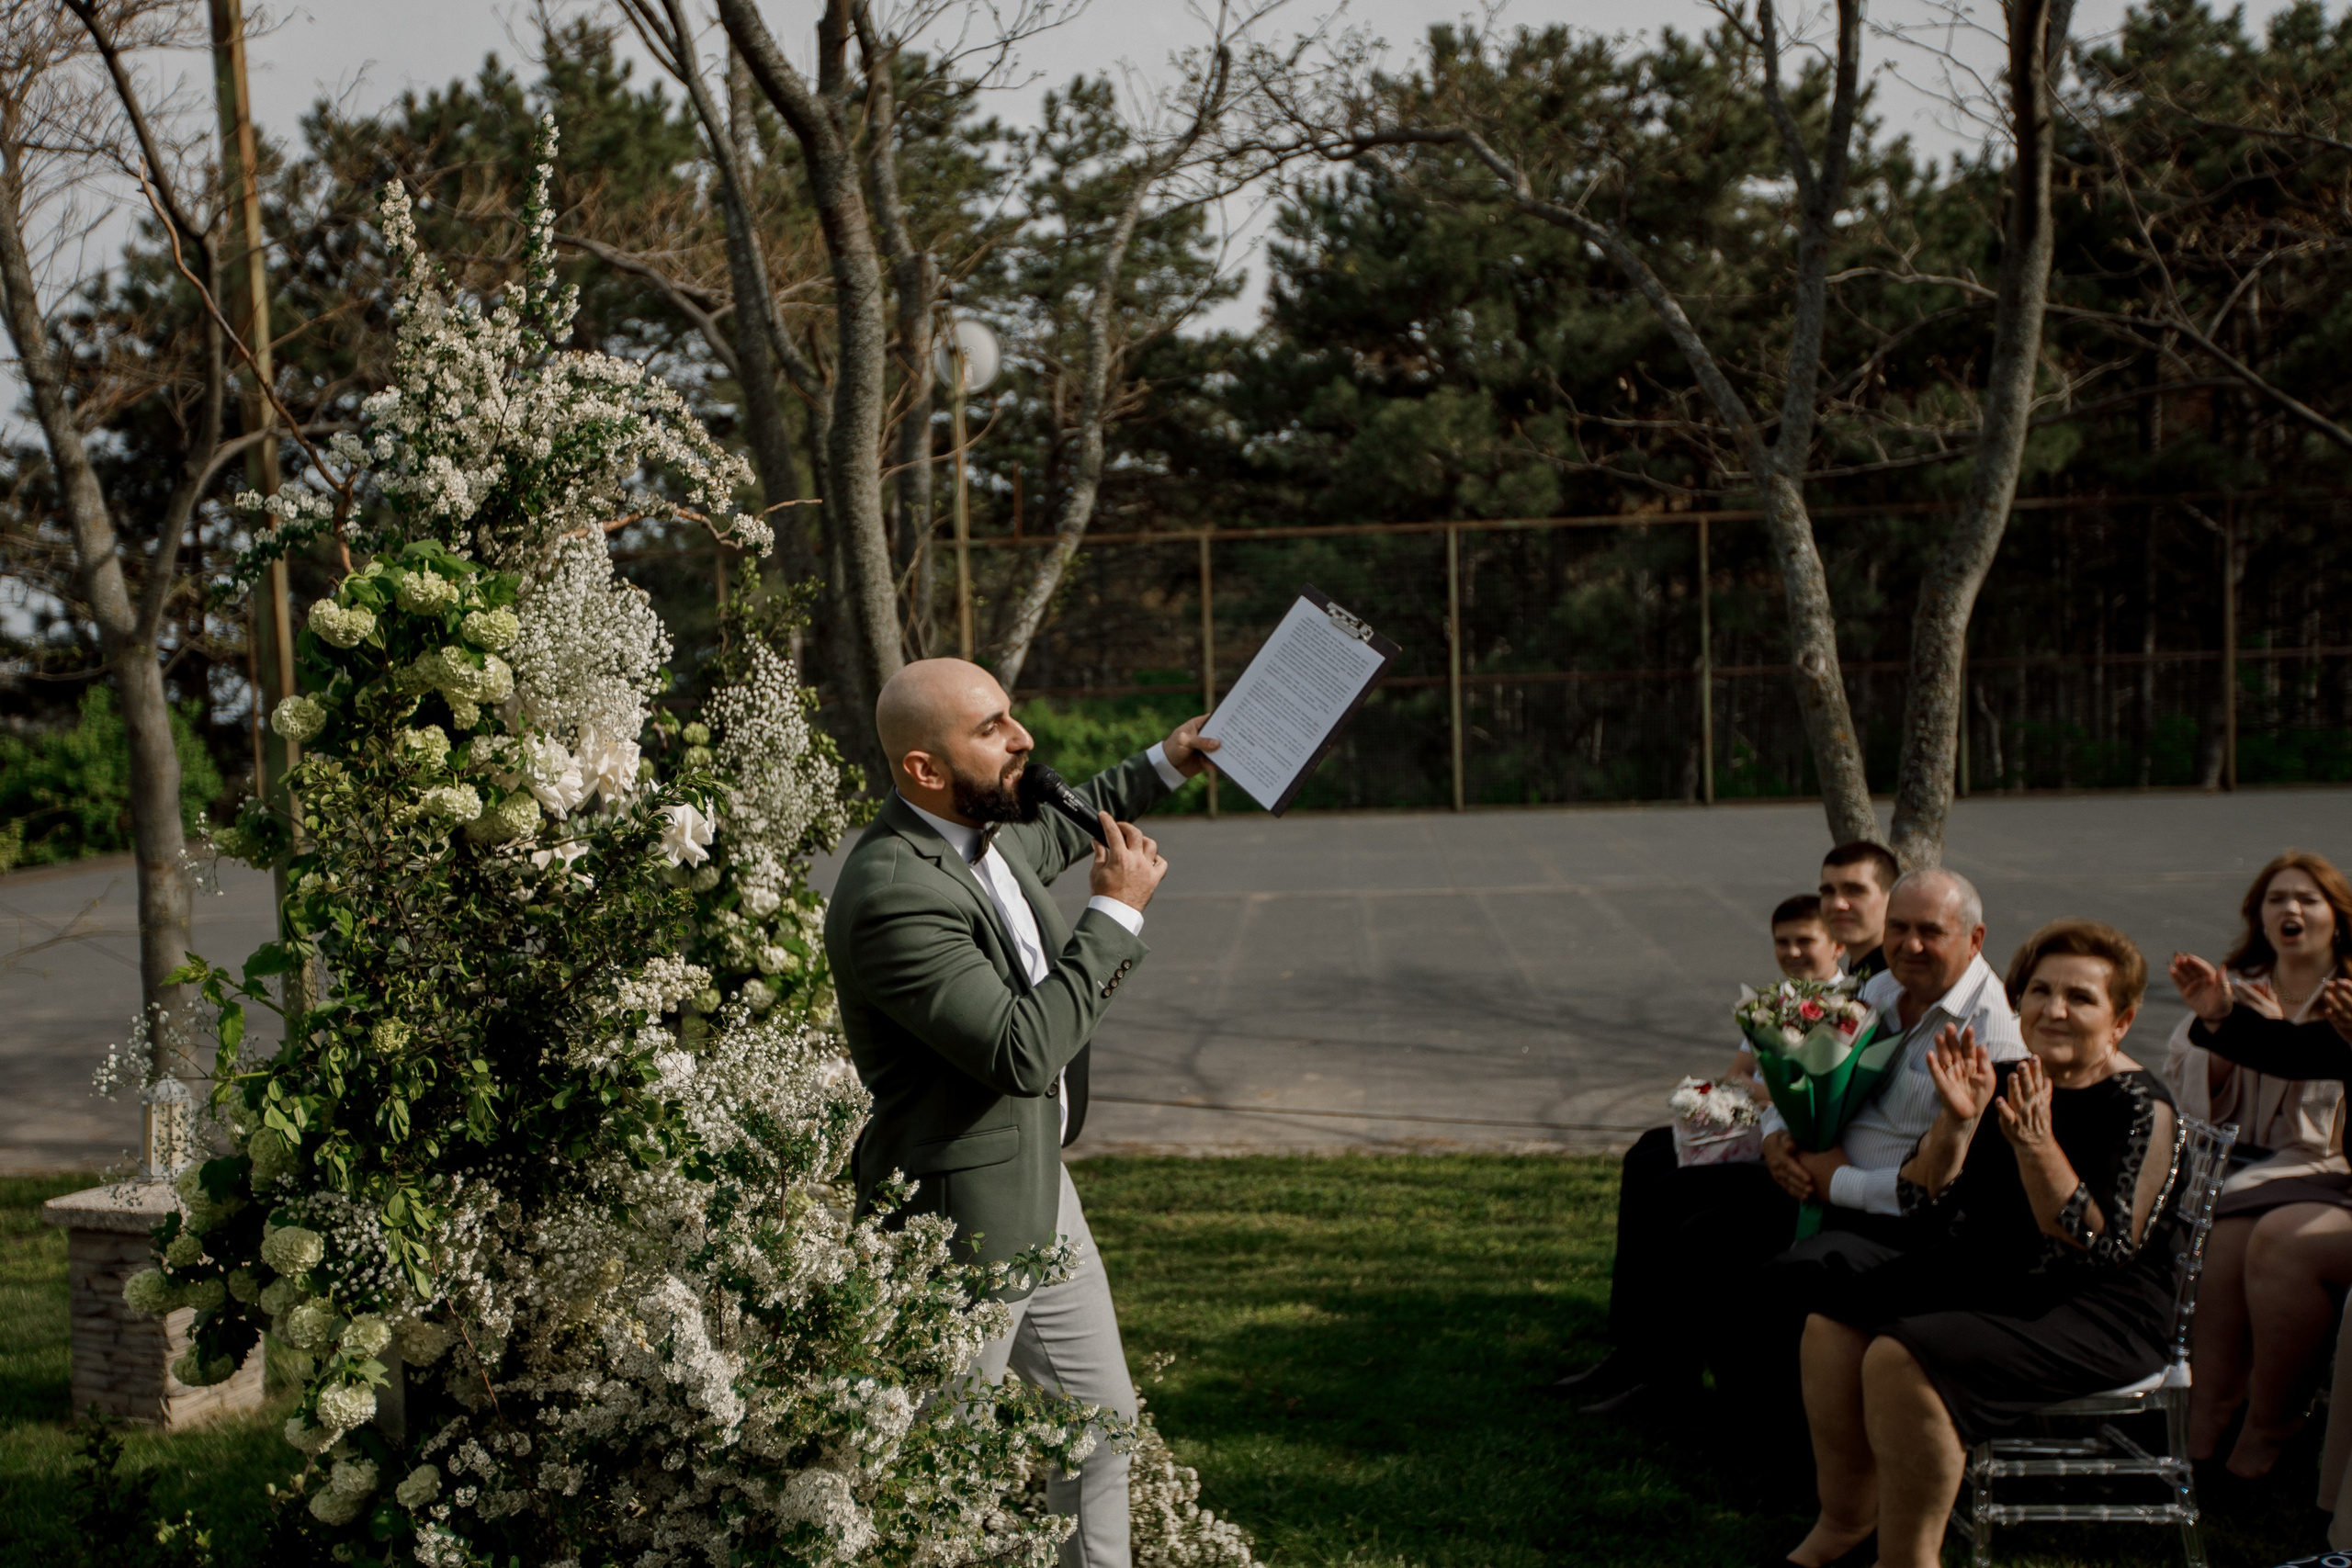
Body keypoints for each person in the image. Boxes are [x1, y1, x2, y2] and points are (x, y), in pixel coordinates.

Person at [822, 657, 1218, 1568]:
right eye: (991, 727)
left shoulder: (983, 835)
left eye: (1011, 715)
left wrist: (1169, 760)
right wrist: (1114, 916)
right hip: (957, 1218)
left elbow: (1072, 813)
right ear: (924, 768)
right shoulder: (894, 891)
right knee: (937, 1475)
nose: (1022, 738)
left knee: (1102, 1428)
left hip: (1043, 1189)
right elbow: (1020, 1052)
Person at [1774, 920, 2183, 1568]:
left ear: (2121, 1020)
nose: (2054, 1009)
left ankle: (1908, 1559)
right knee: (1832, 1323)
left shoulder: (2139, 1107)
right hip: (1997, 1272)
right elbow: (1921, 1195)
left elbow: (2099, 1247)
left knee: (1903, 1355)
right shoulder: (2005, 1075)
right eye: (2040, 991)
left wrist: (2037, 1146)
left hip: (2100, 1306)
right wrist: (1958, 1125)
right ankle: (1844, 1522)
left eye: (2080, 997)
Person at [1544, 893, 1839, 1413]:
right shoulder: (1776, 1000)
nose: (1792, 953)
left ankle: (1667, 1369)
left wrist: (1764, 1089)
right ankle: (1632, 1345)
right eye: (1782, 942)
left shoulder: (1844, 1008)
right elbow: (1738, 1075)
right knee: (1645, 1155)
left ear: (1836, 944)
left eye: (1805, 941)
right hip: (1753, 1129)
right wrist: (1761, 1089)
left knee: (1674, 1189)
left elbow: (1810, 1092)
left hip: (1792, 1150)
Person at [2168, 851, 2352, 1479]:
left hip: (2322, 1169)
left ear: (2337, 916)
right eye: (2277, 899)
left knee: (2264, 1231)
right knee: (2224, 1240)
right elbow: (2196, 1072)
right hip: (2242, 1161)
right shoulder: (2238, 981)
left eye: (2307, 899)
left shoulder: (2345, 994)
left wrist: (2243, 1026)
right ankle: (2210, 1413)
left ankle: (2269, 1426)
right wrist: (2222, 1018)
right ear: (2260, 915)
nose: (2291, 909)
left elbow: (2305, 1059)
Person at [1760, 868, 2028, 1234]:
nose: (1911, 945)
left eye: (1930, 932)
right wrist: (1774, 1135)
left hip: (1896, 1224)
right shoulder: (1880, 988)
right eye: (1898, 928)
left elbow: (1964, 1184)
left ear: (1975, 939)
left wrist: (1839, 1182)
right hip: (1810, 1177)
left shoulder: (1993, 1037)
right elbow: (1809, 1077)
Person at [1819, 840, 1899, 984]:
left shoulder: (1903, 982)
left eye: (1854, 890)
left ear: (1891, 898)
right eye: (1828, 892)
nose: (1837, 904)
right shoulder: (1860, 973)